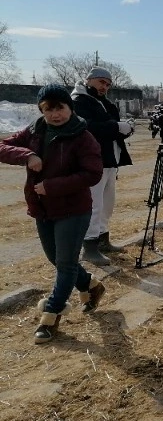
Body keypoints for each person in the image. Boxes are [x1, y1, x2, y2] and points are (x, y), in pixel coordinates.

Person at [0, 84, 106, 343]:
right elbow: (2, 146)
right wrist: (27, 154)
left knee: (65, 264)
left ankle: (51, 315)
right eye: (48, 109)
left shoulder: (83, 136)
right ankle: (91, 286)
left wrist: (52, 186)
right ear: (41, 110)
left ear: (70, 107)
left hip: (73, 210)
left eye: (60, 108)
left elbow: (92, 173)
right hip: (43, 209)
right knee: (56, 259)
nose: (54, 114)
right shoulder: (34, 131)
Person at [71, 66, 135, 266]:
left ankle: (103, 240)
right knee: (93, 205)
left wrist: (125, 129)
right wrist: (116, 127)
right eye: (101, 82)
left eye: (107, 84)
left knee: (107, 204)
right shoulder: (79, 101)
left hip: (109, 160)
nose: (104, 87)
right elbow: (86, 127)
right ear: (89, 80)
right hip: (92, 162)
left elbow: (110, 129)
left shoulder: (103, 102)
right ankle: (89, 247)